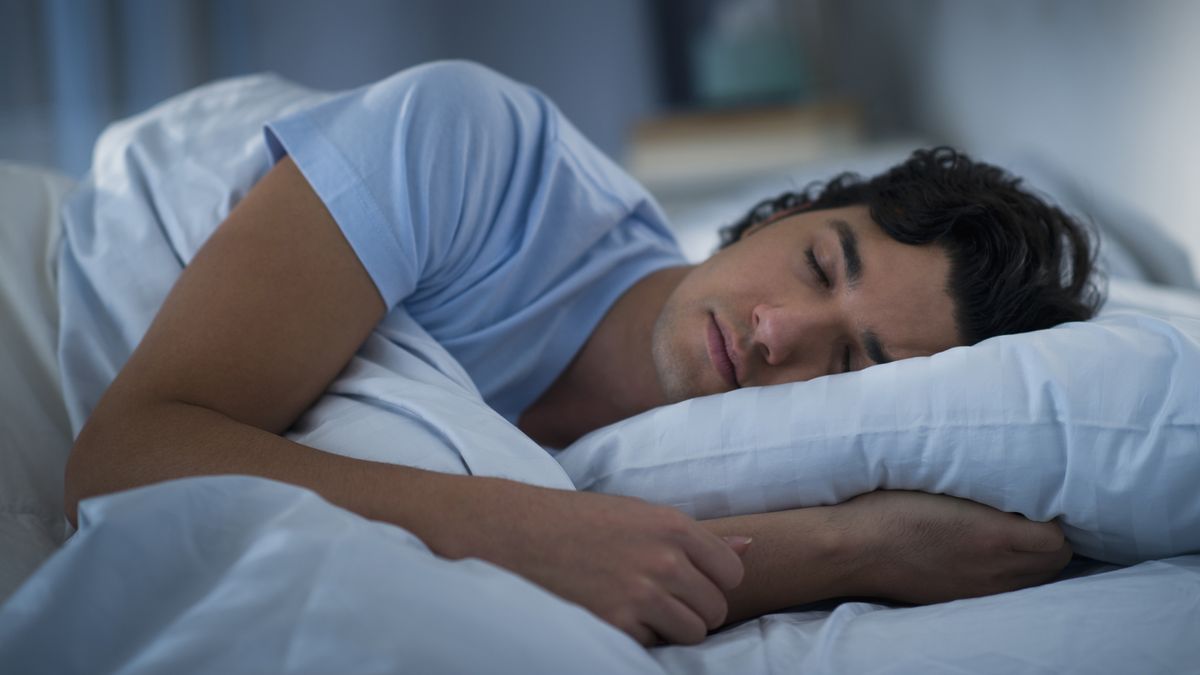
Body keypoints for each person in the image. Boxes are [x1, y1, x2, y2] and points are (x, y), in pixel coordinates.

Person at [61, 61, 1096, 647]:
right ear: (786, 211)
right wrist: (519, 530)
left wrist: (861, 544)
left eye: (854, 366)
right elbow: (123, 458)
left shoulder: (758, 473)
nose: (781, 332)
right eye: (821, 266)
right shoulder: (474, 151)